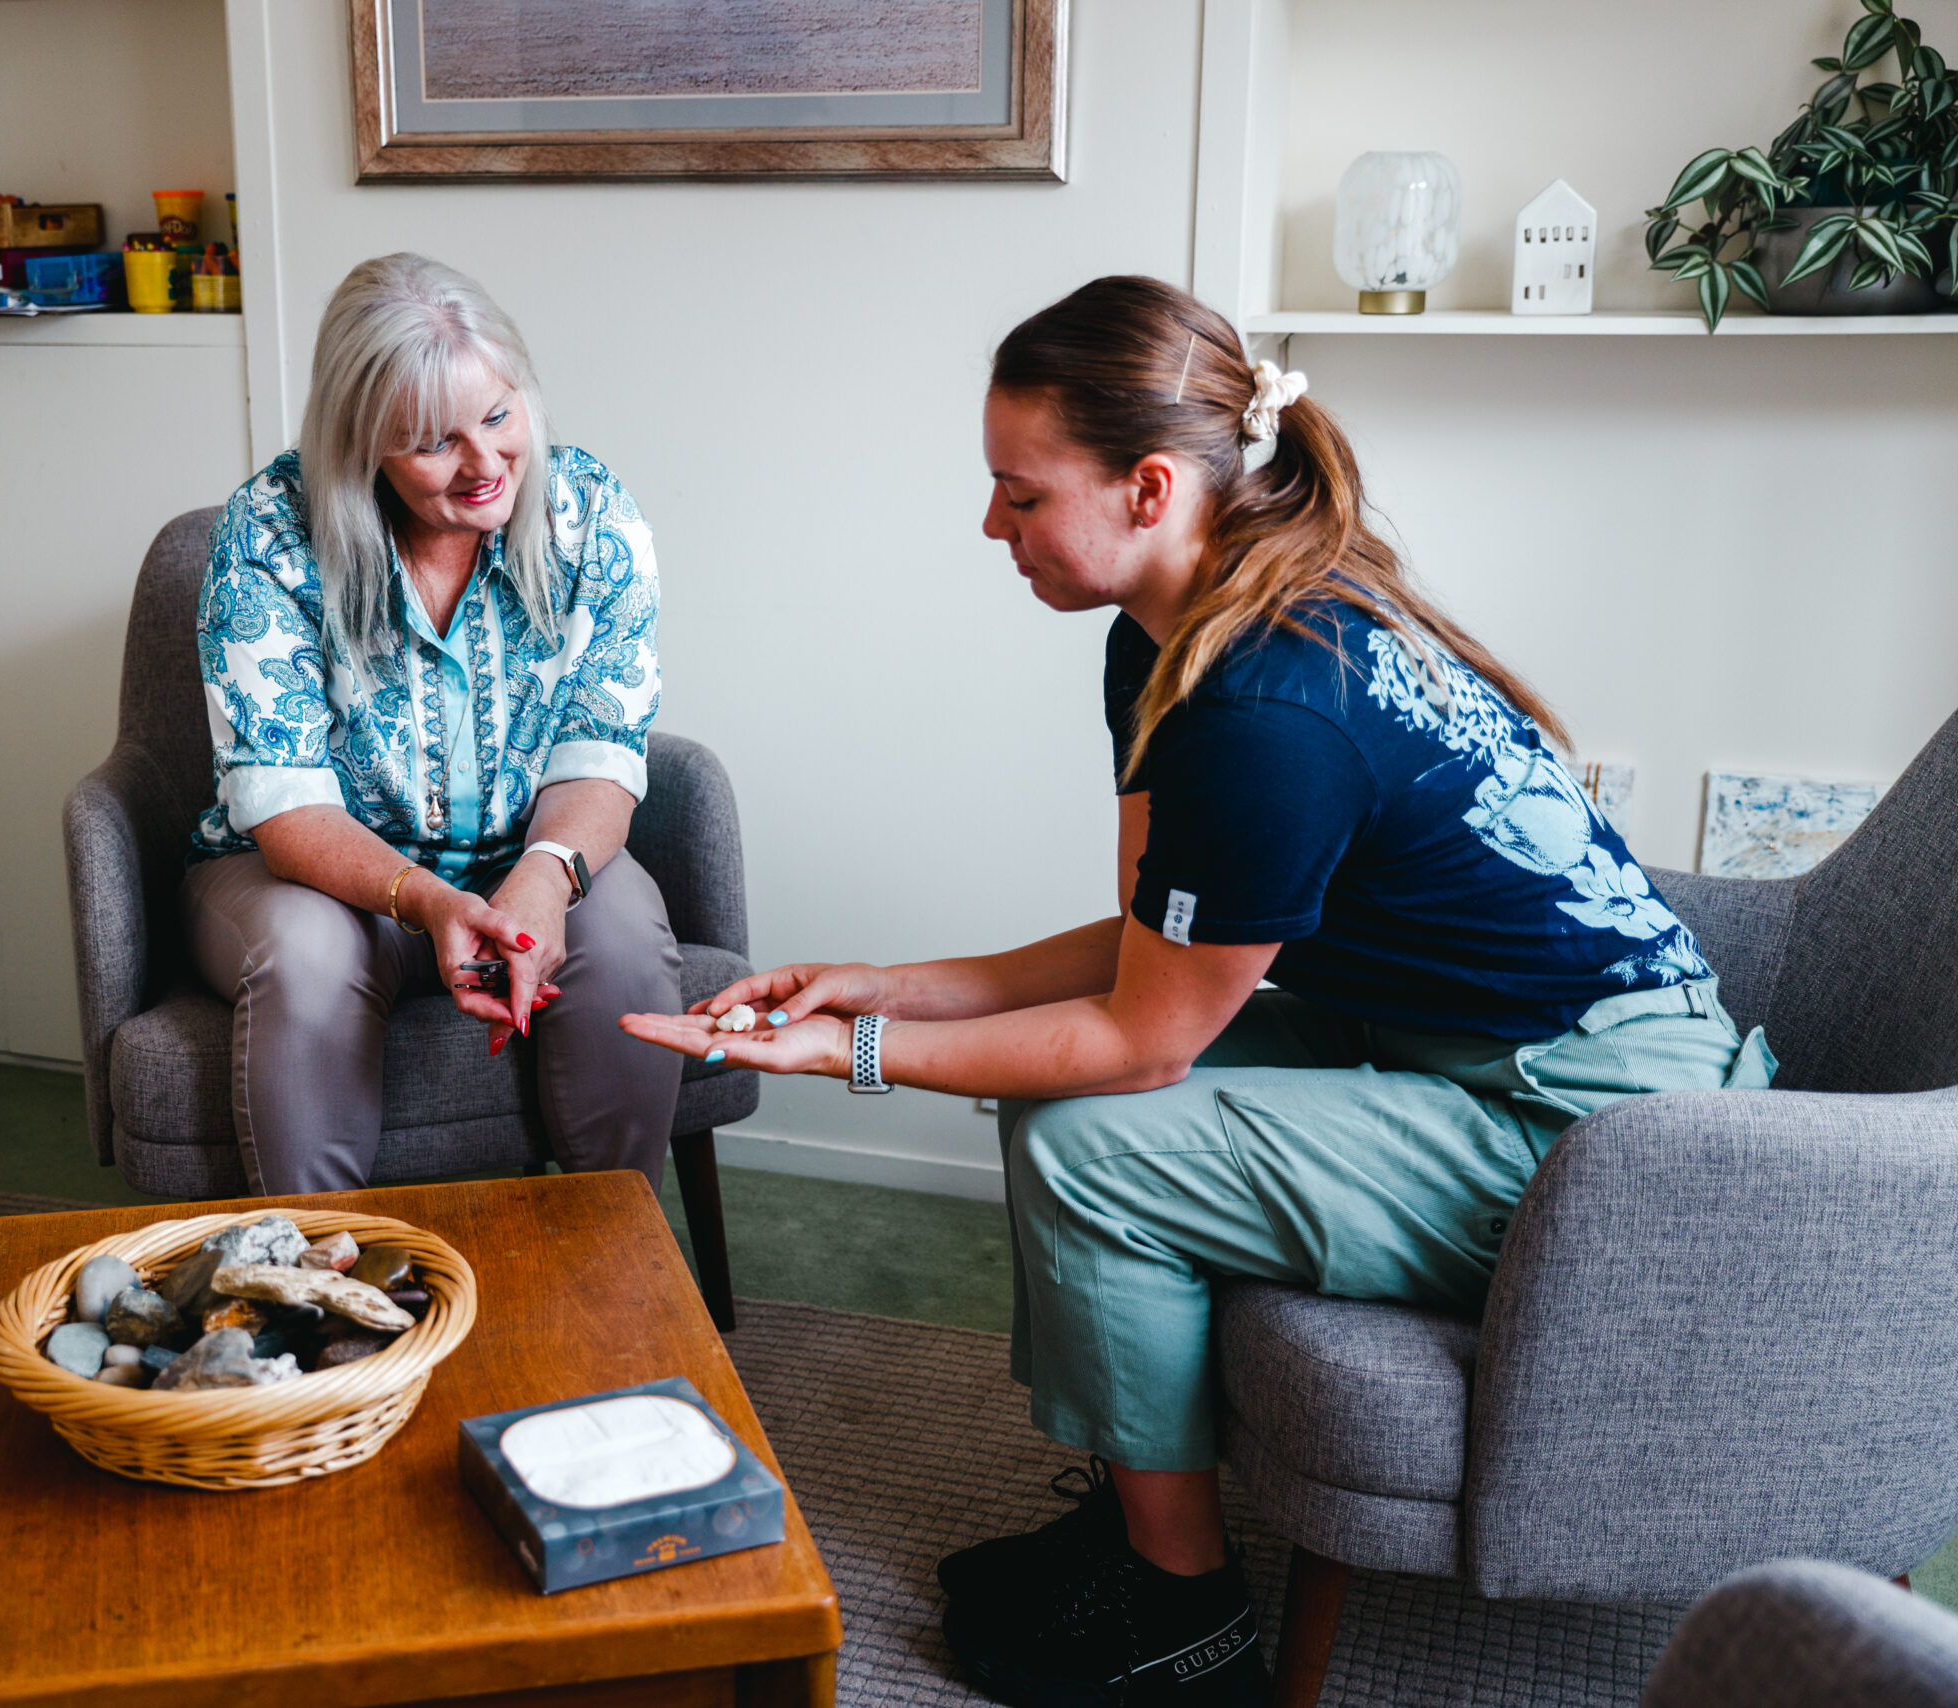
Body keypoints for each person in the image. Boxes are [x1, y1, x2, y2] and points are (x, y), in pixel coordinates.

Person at [620, 276, 1775, 1708]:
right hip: (1457, 1047)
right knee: (1044, 1103)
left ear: (1150, 485)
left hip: (1608, 1140)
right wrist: (881, 983)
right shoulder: (1167, 638)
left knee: (1091, 1135)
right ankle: (1142, 1520)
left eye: (1019, 493)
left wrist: (842, 1052)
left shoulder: (1267, 704)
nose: (993, 526)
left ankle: (1191, 1624)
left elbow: (1137, 1045)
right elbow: (1150, 940)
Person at [187, 252, 682, 1196]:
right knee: (306, 954)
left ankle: (615, 1262)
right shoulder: (266, 532)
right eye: (433, 442)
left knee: (620, 940)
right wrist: (429, 902)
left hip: (521, 855)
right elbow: (285, 807)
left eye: (499, 417)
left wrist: (543, 878)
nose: (486, 464)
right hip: (313, 879)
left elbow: (602, 750)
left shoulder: (591, 516)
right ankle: (322, 1285)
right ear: (360, 441)